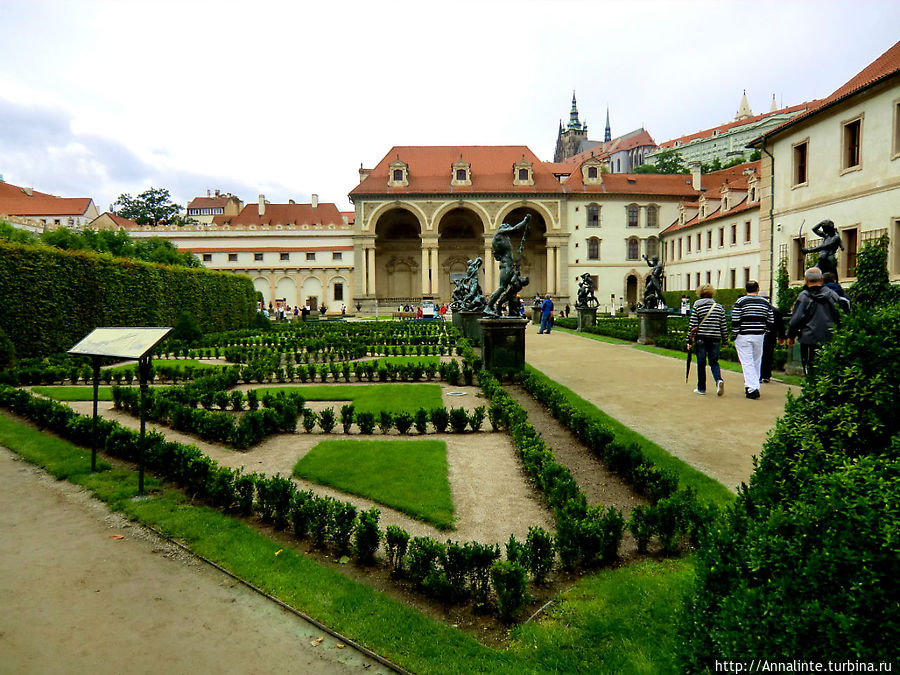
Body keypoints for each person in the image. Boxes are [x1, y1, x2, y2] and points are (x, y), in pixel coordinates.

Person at [787, 267, 842, 377]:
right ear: (821, 279)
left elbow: (796, 319)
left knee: (810, 368)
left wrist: (791, 336)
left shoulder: (804, 296)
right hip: (829, 337)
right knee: (827, 370)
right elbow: (840, 316)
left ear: (806, 280)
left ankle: (811, 384)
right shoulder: (833, 295)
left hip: (809, 338)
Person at [731, 280, 774, 399]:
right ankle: (751, 385)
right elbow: (770, 319)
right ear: (758, 289)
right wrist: (766, 331)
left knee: (747, 362)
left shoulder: (741, 302)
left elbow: (735, 319)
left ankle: (752, 388)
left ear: (746, 289)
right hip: (759, 334)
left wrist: (734, 334)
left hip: (743, 334)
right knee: (756, 361)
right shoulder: (765, 302)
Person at [688, 284, 728, 395]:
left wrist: (689, 341)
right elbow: (723, 325)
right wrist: (725, 341)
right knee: (714, 362)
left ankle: (701, 388)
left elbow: (693, 325)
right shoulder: (719, 307)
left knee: (701, 363)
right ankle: (718, 380)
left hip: (701, 338)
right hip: (715, 338)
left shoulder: (697, 306)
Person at [759, 302, 785, 383]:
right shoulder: (776, 311)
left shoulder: (760, 310)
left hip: (760, 335)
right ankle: (766, 375)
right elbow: (781, 326)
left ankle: (759, 375)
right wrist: (782, 336)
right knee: (768, 356)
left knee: (758, 355)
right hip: (771, 336)